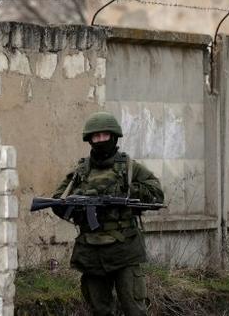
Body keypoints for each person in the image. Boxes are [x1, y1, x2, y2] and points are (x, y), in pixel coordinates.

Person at [52, 112, 164, 316]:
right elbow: (58, 200)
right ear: (90, 140)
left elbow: (157, 194)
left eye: (105, 136)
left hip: (125, 250)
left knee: (134, 308)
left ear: (113, 137)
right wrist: (80, 201)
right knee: (100, 310)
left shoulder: (130, 168)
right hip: (91, 251)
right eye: (96, 137)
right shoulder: (81, 171)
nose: (100, 140)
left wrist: (127, 192)